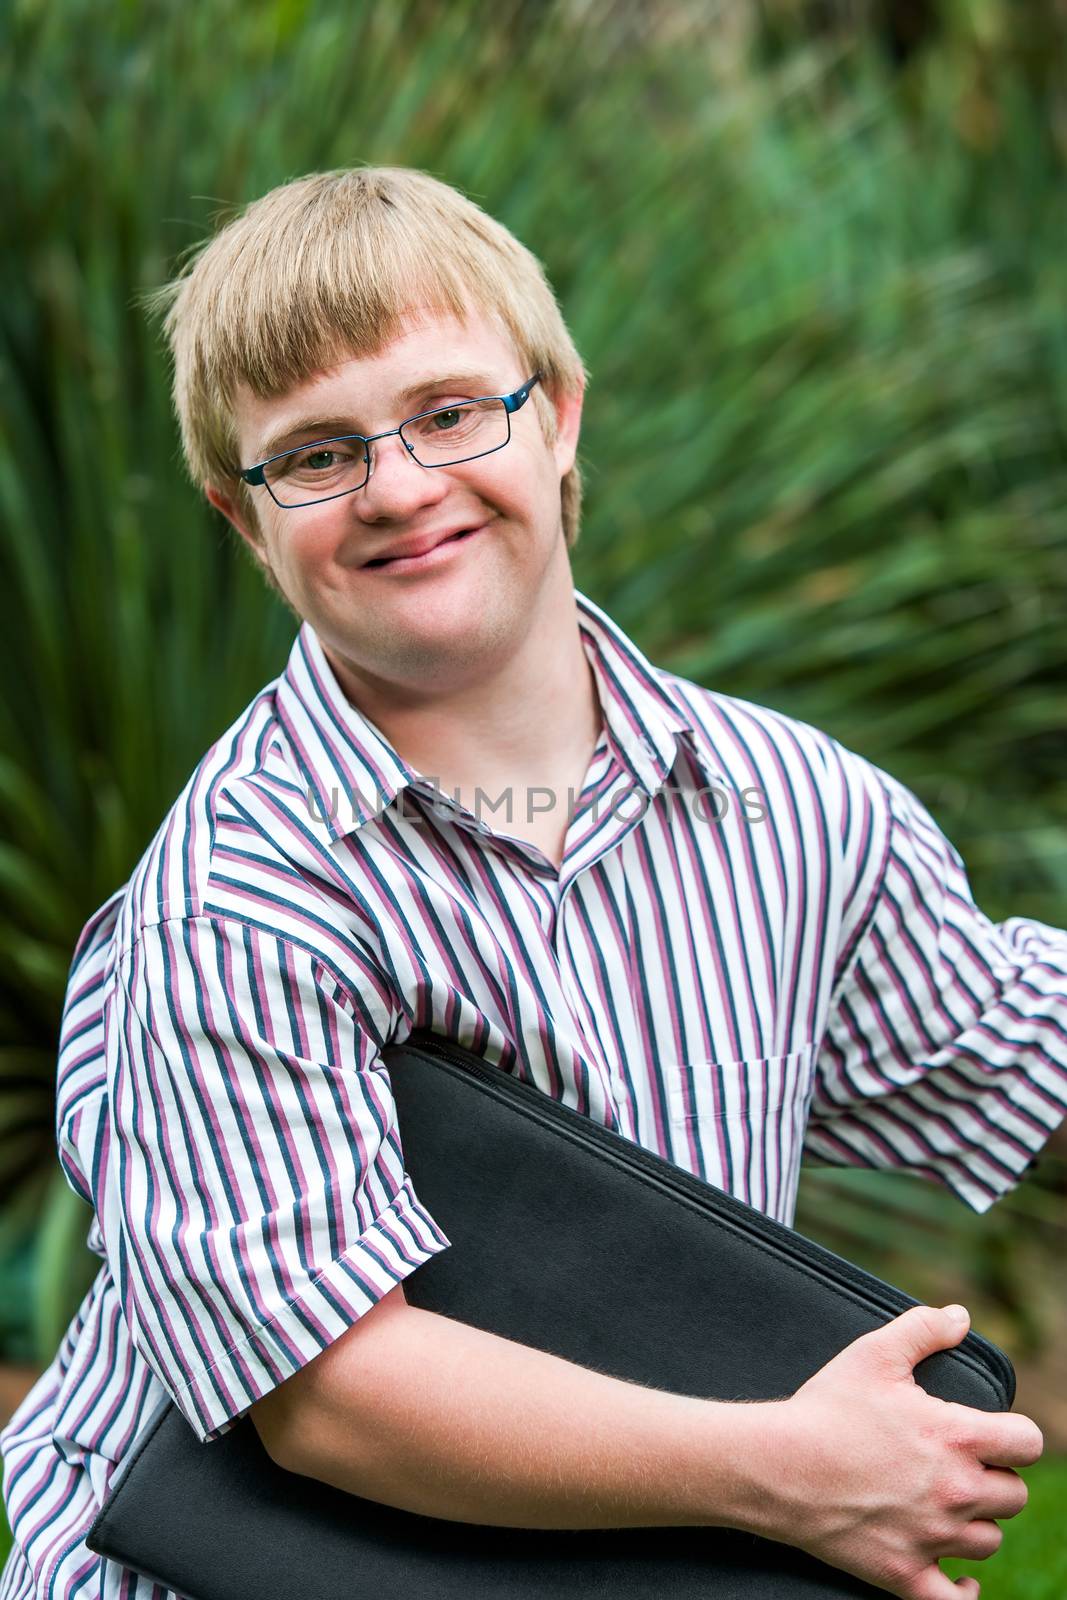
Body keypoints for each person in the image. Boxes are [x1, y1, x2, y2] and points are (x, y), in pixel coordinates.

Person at [1, 166, 1062, 1600]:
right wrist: (795, 1469)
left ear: (556, 412)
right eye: (315, 455)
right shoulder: (235, 899)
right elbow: (324, 1398)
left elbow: (996, 1042)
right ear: (243, 520)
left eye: (448, 413)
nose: (398, 488)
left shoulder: (800, 809)